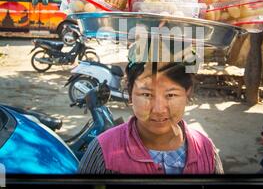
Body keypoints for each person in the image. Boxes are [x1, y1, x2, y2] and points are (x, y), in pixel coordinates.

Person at [78, 61, 224, 174]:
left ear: (187, 94)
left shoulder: (206, 151)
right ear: (130, 94)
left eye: (171, 95)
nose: (159, 109)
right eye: (146, 95)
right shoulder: (103, 150)